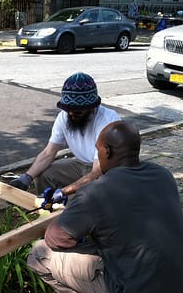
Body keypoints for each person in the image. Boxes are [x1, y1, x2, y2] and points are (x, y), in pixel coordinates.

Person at [27, 121, 183, 293]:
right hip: (176, 291)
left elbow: (56, 238)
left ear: (107, 151)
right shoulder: (162, 174)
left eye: (97, 149)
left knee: (38, 255)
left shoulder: (96, 192)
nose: (98, 154)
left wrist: (74, 217)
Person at [10, 72, 120, 201]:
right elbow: (48, 153)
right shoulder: (64, 116)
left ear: (91, 107)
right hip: (81, 164)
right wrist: (26, 178)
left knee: (79, 200)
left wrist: (63, 192)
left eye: (78, 111)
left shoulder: (108, 122)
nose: (72, 113)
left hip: (108, 171)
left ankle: (66, 214)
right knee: (44, 174)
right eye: (69, 109)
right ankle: (46, 209)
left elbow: (96, 173)